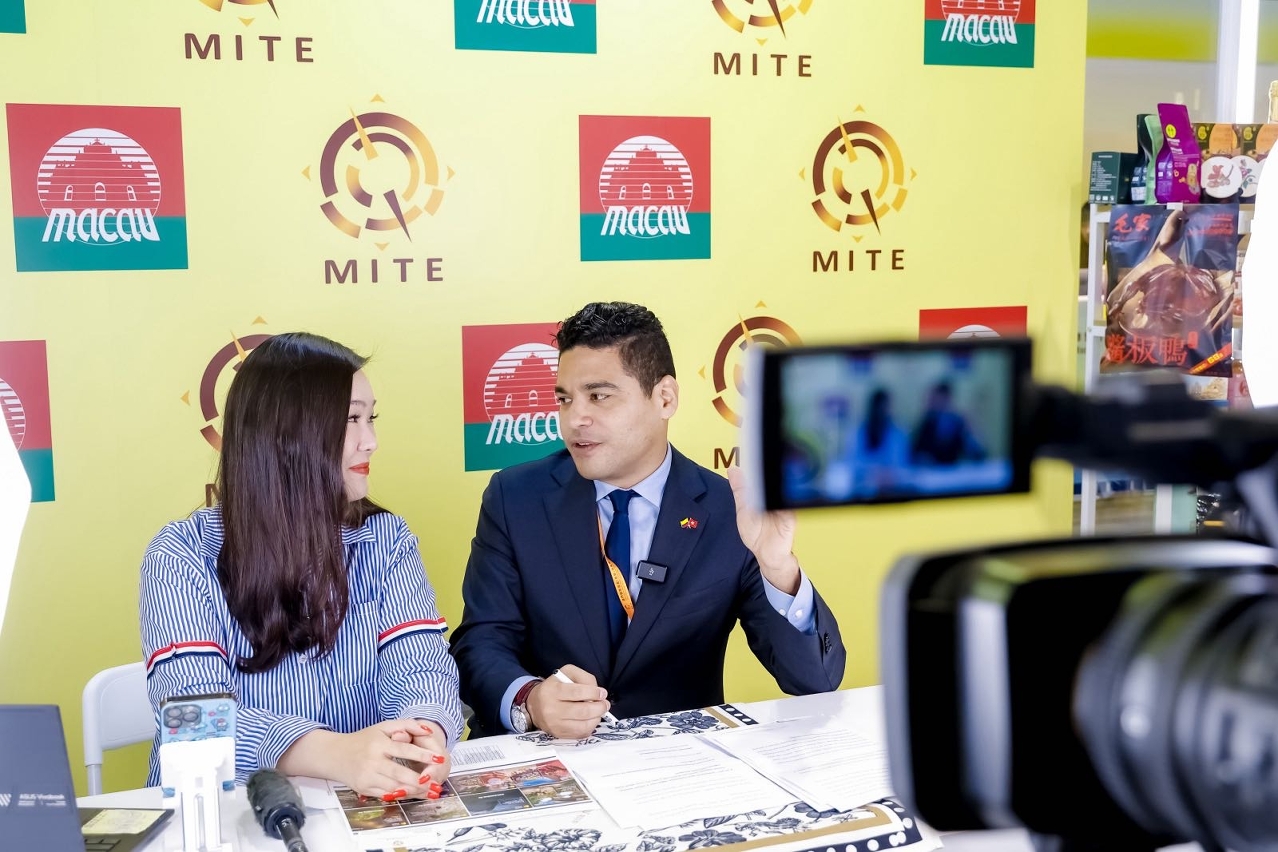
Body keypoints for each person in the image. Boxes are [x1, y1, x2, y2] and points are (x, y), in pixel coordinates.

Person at [450, 302, 845, 740]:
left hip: (677, 763)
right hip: (549, 758)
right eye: (564, 399)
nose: (574, 418)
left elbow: (816, 681)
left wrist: (778, 567)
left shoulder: (727, 509)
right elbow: (480, 642)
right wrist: (530, 700)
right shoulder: (515, 497)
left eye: (599, 396)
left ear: (665, 398)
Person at [139, 332, 462, 801]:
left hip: (363, 805)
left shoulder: (386, 539)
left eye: (371, 419)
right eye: (351, 419)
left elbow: (423, 667)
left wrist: (424, 734)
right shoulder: (180, 555)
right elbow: (194, 722)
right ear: (288, 434)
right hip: (225, 813)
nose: (371, 442)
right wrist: (337, 753)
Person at [910, 381, 985, 466]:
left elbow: (978, 455)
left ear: (947, 399)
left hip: (951, 470)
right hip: (930, 470)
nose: (930, 402)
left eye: (936, 398)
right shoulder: (926, 422)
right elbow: (915, 451)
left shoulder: (959, 422)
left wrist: (973, 430)